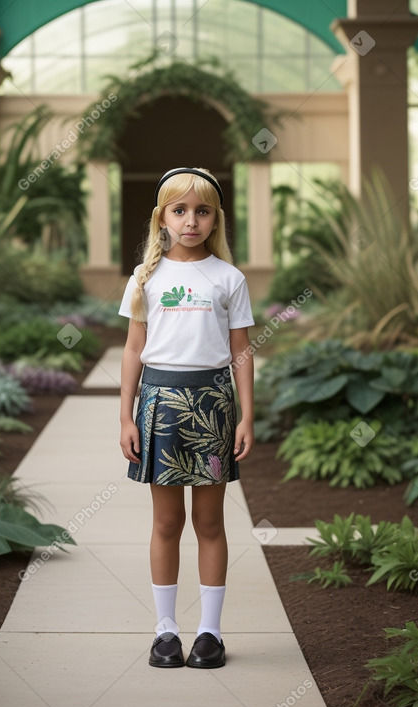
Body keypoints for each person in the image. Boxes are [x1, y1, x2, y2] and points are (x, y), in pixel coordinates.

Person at [118, 166, 254, 669]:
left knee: (210, 522)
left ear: (215, 219)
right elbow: (135, 348)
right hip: (159, 407)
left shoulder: (228, 278)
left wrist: (246, 417)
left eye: (202, 211)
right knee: (167, 522)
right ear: (162, 219)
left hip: (214, 409)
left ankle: (210, 635)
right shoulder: (146, 278)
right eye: (180, 211)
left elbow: (242, 352)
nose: (191, 221)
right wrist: (126, 415)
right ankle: (166, 631)